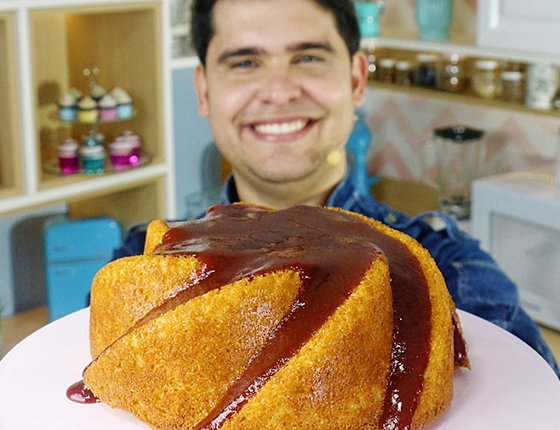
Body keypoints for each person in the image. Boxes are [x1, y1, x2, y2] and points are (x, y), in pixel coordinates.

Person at [119, 0, 560, 377]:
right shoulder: (141, 263)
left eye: (308, 57)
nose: (278, 92)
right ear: (204, 91)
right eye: (245, 62)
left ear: (355, 80)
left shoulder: (454, 277)